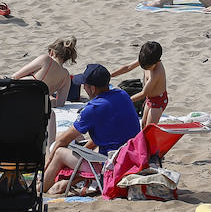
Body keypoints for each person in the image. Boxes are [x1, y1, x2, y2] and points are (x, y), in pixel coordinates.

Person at [43, 64, 140, 195]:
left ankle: (39, 189)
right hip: (131, 156)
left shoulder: (94, 108)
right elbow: (104, 134)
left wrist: (48, 163)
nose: (83, 87)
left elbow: (61, 141)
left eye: (85, 85)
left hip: (111, 165)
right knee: (75, 139)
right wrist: (84, 149)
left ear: (93, 88)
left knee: (59, 152)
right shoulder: (121, 94)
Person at [108, 42, 168, 129]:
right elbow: (128, 67)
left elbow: (143, 93)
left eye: (147, 67)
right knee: (143, 124)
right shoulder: (145, 59)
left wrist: (125, 101)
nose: (145, 68)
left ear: (157, 61)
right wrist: (111, 75)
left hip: (158, 101)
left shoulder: (156, 73)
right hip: (149, 98)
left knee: (149, 128)